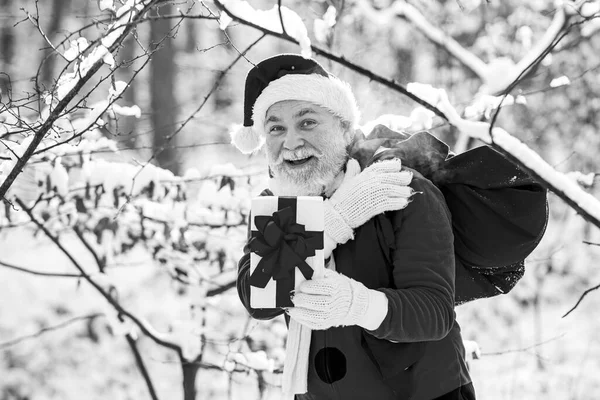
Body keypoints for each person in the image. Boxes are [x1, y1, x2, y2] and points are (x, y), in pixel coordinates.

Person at [232, 54, 475, 400]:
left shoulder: (400, 187)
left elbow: (435, 314)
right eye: (276, 128)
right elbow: (258, 299)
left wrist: (355, 304)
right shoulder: (278, 205)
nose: (291, 142)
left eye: (307, 123)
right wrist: (331, 224)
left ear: (344, 127)